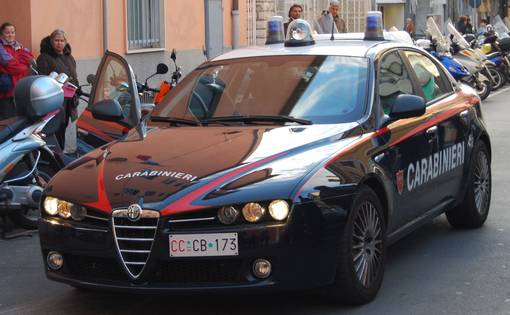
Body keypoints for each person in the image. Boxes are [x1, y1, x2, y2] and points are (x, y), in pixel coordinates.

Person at [36, 29, 79, 150]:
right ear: (51, 41)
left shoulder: (69, 57)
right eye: (56, 40)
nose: (59, 43)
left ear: (65, 42)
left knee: (63, 128)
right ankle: (54, 157)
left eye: (62, 40)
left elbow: (74, 75)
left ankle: (60, 154)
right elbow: (42, 79)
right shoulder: (44, 57)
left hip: (69, 100)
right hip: (54, 101)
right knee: (54, 130)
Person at [0, 22, 33, 120]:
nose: (10, 35)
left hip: (20, 91)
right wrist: (24, 66)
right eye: (7, 33)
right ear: (2, 34)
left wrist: (18, 60)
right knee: (8, 121)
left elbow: (30, 59)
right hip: (6, 92)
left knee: (19, 121)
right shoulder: (1, 47)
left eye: (12, 32)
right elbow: (10, 66)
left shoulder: (20, 46)